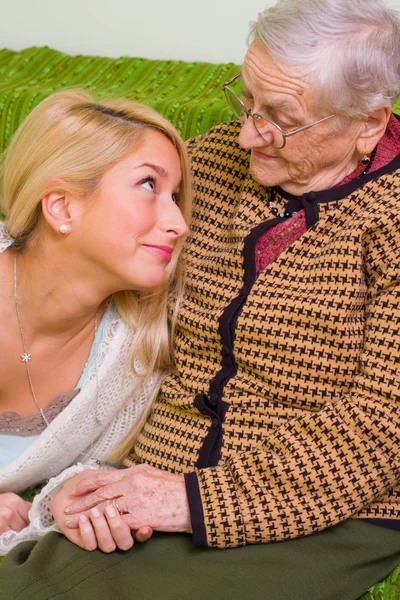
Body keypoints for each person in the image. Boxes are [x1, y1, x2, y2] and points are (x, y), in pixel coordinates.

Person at [1, 0, 400, 598]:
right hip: (145, 474)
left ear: (368, 122)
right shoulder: (213, 162)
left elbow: (381, 428)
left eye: (279, 119)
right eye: (246, 101)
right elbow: (88, 206)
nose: (245, 135)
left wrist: (189, 499)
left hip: (323, 505)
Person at [0, 90, 190, 552]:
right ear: (62, 206)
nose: (179, 223)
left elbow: (86, 476)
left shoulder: (134, 357)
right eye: (149, 185)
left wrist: (57, 503)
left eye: (176, 196)